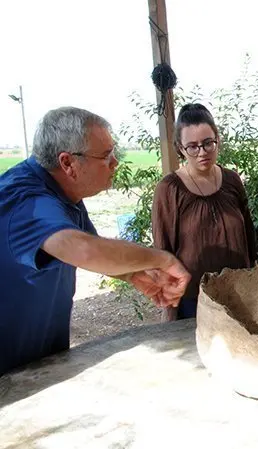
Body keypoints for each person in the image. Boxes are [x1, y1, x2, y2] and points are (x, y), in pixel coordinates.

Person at [0, 107, 190, 376]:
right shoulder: (24, 200)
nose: (115, 163)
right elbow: (84, 249)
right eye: (105, 156)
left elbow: (93, 249)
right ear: (68, 163)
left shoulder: (67, 196)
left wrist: (134, 273)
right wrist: (162, 259)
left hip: (38, 361)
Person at [151, 103, 257, 321]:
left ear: (217, 139)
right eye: (192, 146)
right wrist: (169, 308)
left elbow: (249, 238)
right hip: (194, 303)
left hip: (238, 296)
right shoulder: (170, 189)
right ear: (180, 148)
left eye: (208, 143)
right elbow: (163, 253)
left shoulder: (232, 181)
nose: (202, 153)